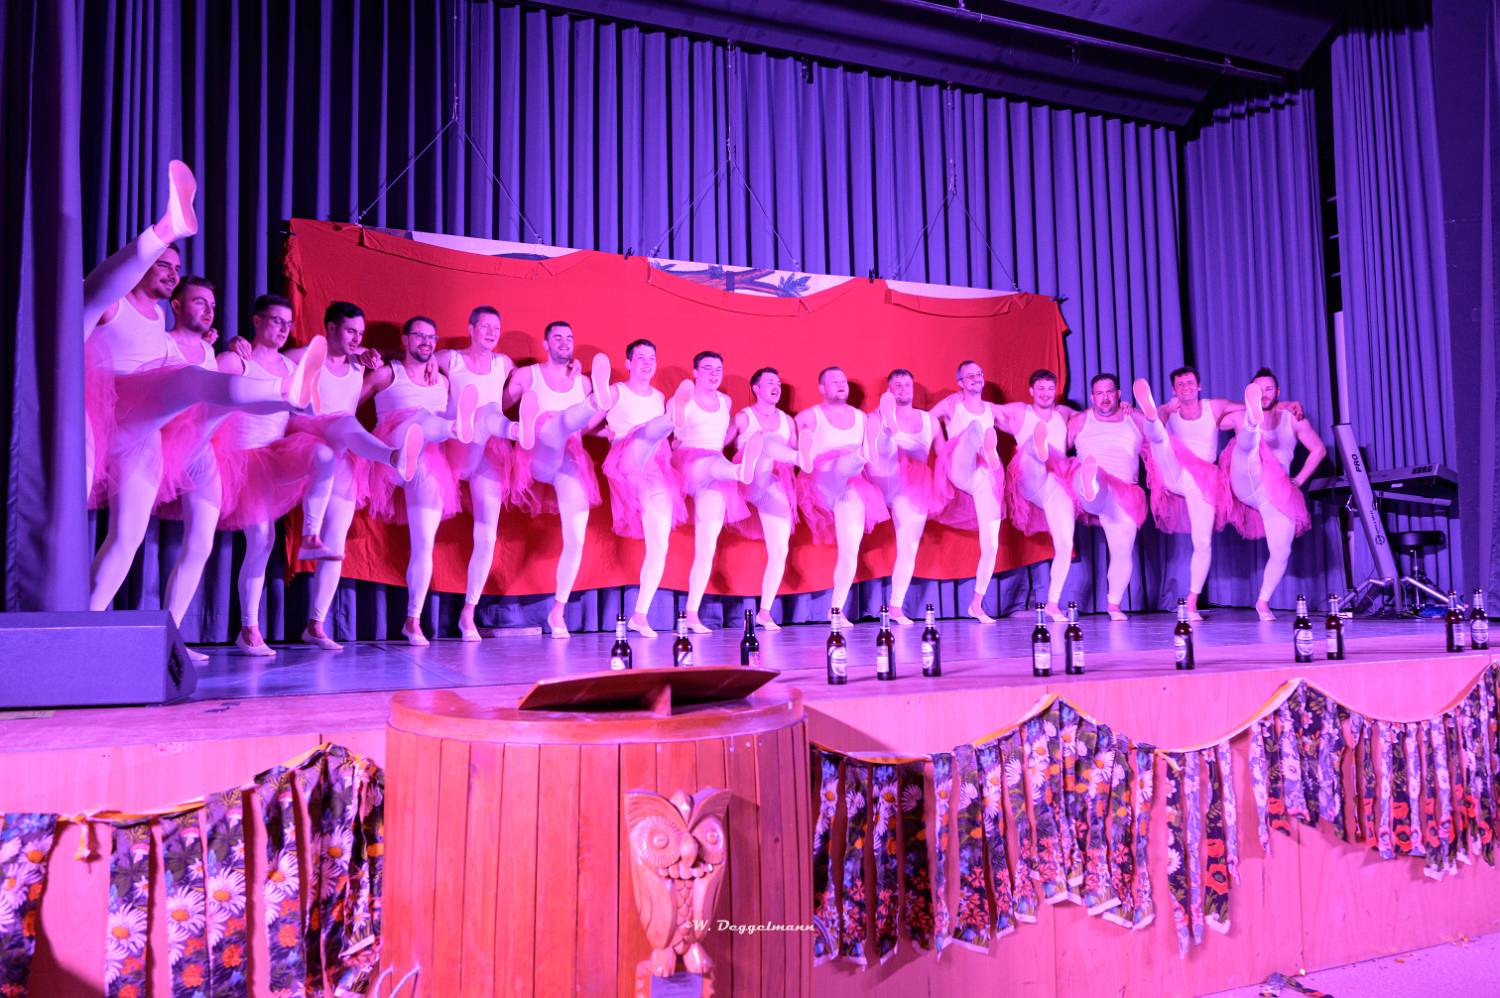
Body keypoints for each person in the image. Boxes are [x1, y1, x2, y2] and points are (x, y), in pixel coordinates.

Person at [85, 161, 326, 612]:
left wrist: (214, 347)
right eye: (163, 264)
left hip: (152, 436)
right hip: (112, 413)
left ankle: (90, 623)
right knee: (191, 382)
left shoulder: (164, 323)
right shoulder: (116, 306)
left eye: (176, 267)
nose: (171, 272)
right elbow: (98, 290)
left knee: (127, 538)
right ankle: (166, 226)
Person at [280, 301, 421, 650]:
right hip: (306, 443)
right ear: (330, 328)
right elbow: (268, 360)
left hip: (341, 455)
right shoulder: (304, 357)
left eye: (361, 333)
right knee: (343, 424)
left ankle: (316, 624)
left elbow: (392, 356)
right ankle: (392, 456)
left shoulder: (360, 362)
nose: (357, 338)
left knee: (336, 545)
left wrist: (379, 352)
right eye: (350, 331)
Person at [211, 295, 339, 656]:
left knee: (324, 454)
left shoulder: (290, 366)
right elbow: (203, 390)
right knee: (262, 540)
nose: (284, 329)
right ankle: (249, 628)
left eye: (288, 323)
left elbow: (321, 359)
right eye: (276, 321)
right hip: (239, 460)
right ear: (257, 321)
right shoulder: (237, 359)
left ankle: (311, 534)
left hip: (276, 456)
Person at [361, 315, 477, 646]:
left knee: (424, 544)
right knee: (421, 420)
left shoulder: (441, 381)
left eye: (431, 337)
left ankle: (413, 621)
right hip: (391, 455)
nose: (426, 342)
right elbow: (348, 402)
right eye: (419, 336)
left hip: (428, 464)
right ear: (405, 340)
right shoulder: (387, 373)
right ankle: (453, 428)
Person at [509, 320, 604, 638]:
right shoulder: (529, 375)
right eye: (558, 337)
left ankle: (557, 612)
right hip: (537, 456)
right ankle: (589, 405)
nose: (564, 342)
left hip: (571, 458)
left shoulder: (583, 381)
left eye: (569, 338)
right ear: (546, 344)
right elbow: (497, 404)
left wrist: (603, 430)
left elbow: (585, 428)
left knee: (576, 538)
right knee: (555, 426)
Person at [437, 305, 521, 641]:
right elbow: (410, 359)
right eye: (485, 326)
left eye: (496, 328)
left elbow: (528, 381)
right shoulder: (450, 360)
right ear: (471, 328)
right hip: (456, 448)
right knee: (485, 413)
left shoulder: (504, 364)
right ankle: (512, 428)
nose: (491, 332)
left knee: (487, 534)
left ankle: (468, 613)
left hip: (490, 452)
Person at [593, 340, 686, 637]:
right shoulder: (617, 392)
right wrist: (610, 434)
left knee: (660, 546)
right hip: (627, 461)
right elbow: (588, 427)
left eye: (652, 358)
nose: (647, 363)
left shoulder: (658, 396)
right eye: (641, 358)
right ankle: (671, 419)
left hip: (656, 471)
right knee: (644, 434)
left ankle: (640, 615)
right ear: (629, 363)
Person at [1219, 369, 1326, 620]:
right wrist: (1251, 406)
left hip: (1275, 492)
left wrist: (1299, 480)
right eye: (1258, 390)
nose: (1264, 394)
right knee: (1247, 448)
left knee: (1281, 551)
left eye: (1268, 389)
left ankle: (1263, 602)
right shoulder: (1238, 414)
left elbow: (1319, 450)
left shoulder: (1292, 419)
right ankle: (1252, 426)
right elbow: (1214, 416)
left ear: (1277, 392)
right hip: (1246, 480)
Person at [668, 351, 760, 634]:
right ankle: (739, 471)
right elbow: (675, 433)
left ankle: (692, 614)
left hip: (716, 473)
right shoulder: (681, 399)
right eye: (707, 368)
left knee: (707, 546)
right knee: (713, 463)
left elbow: (721, 438)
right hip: (687, 463)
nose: (714, 373)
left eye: (718, 368)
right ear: (695, 372)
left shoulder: (726, 402)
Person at [795, 367, 889, 619]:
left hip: (852, 486)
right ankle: (862, 453)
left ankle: (835, 609)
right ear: (822, 388)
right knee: (839, 465)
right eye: (834, 381)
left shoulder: (861, 418)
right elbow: (793, 444)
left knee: (850, 551)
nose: (841, 384)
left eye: (844, 381)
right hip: (822, 483)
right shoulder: (810, 416)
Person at [1063, 373, 1148, 621]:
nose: (1105, 398)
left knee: (1123, 551)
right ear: (1092, 397)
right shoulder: (1080, 420)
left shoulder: (1134, 419)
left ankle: (1114, 605)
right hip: (1087, 486)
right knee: (1092, 476)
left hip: (1124, 494)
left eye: (1110, 392)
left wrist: (1141, 412)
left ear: (1118, 394)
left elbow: (1161, 434)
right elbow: (1057, 452)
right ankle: (1091, 482)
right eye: (1099, 393)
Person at [929, 360, 1007, 623]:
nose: (976, 378)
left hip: (985, 477)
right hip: (959, 467)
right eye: (970, 375)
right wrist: (941, 447)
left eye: (979, 374)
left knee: (991, 544)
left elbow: (1020, 420)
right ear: (960, 383)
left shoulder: (991, 409)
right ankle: (987, 449)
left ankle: (976, 604)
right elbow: (926, 420)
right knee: (974, 429)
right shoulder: (952, 406)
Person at [864, 369, 941, 624]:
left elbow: (944, 456)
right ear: (888, 390)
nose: (903, 388)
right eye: (897, 385)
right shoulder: (872, 418)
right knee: (881, 437)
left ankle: (896, 607)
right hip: (880, 478)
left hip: (913, 487)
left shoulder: (929, 420)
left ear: (913, 388)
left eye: (907, 384)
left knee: (908, 547)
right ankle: (890, 430)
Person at [729, 367, 803, 630]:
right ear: (756, 388)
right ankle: (767, 455)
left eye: (779, 383)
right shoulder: (743, 417)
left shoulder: (787, 421)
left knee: (780, 550)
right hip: (748, 481)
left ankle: (765, 612)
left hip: (775, 483)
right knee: (766, 442)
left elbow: (794, 451)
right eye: (770, 382)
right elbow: (719, 443)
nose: (776, 387)